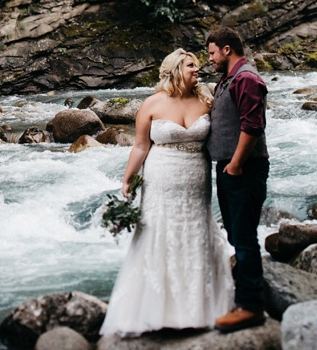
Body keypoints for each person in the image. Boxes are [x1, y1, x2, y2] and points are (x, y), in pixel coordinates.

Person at [99, 49, 234, 337]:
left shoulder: (205, 99)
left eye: (198, 64)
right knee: (160, 231)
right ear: (175, 71)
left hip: (197, 176)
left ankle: (199, 307)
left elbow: (225, 131)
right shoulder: (151, 104)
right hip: (161, 176)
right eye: (191, 65)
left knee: (196, 230)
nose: (197, 69)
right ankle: (157, 310)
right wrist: (128, 180)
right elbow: (140, 146)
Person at [206, 27, 270, 333]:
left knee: (244, 236)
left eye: (212, 53)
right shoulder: (229, 80)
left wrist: (234, 164)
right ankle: (246, 295)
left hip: (244, 169)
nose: (210, 59)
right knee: (236, 233)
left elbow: (253, 125)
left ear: (227, 49)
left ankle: (251, 307)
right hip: (231, 168)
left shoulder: (246, 78)